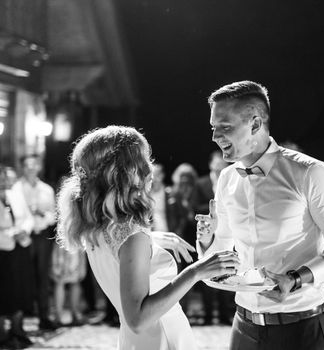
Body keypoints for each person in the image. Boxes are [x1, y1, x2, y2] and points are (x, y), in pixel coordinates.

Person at [196, 81, 324, 350]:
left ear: (256, 124)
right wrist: (208, 240)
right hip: (244, 326)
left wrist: (295, 279)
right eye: (213, 128)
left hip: (301, 329)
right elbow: (221, 254)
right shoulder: (226, 179)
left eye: (225, 127)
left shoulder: (309, 173)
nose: (214, 137)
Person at [55, 125, 239, 350]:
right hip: (161, 339)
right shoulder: (132, 238)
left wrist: (153, 239)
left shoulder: (98, 225)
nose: (150, 166)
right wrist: (195, 272)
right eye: (144, 158)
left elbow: (119, 253)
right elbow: (139, 319)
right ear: (127, 170)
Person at [12, 154, 58, 331]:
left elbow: (53, 215)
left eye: (33, 165)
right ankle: (21, 318)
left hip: (42, 236)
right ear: (22, 168)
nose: (30, 168)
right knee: (23, 277)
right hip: (23, 237)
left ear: (38, 167)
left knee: (43, 277)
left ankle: (44, 316)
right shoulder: (16, 189)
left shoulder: (47, 189)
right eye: (27, 165)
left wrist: (41, 214)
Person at [192, 151, 233, 325]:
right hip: (207, 230)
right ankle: (208, 316)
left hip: (228, 233)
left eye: (221, 166)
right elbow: (195, 205)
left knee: (226, 275)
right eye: (215, 166)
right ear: (210, 165)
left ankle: (224, 315)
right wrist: (213, 211)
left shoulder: (231, 181)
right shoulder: (201, 183)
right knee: (207, 276)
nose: (218, 169)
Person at [0, 165, 35, 348]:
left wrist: (23, 230)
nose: (6, 181)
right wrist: (8, 235)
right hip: (2, 250)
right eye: (3, 178)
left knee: (21, 288)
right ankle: (2, 333)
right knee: (4, 290)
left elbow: (28, 217)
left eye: (8, 178)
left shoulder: (16, 194)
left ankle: (18, 329)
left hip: (20, 248)